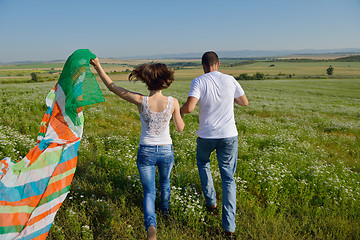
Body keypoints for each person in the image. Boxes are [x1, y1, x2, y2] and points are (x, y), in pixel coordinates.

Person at [90, 58, 184, 240]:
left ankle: (151, 228)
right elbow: (180, 128)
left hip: (146, 150)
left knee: (149, 191)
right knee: (165, 184)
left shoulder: (141, 100)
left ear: (147, 81)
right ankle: (165, 213)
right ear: (165, 80)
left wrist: (98, 66)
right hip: (166, 150)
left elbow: (112, 87)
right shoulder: (173, 102)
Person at [180, 51, 248, 239]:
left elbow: (190, 107)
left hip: (206, 135)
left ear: (203, 65)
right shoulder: (230, 79)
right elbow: (244, 102)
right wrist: (228, 98)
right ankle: (229, 227)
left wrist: (179, 111)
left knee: (203, 163)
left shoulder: (199, 81)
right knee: (228, 178)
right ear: (218, 64)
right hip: (229, 135)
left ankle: (211, 202)